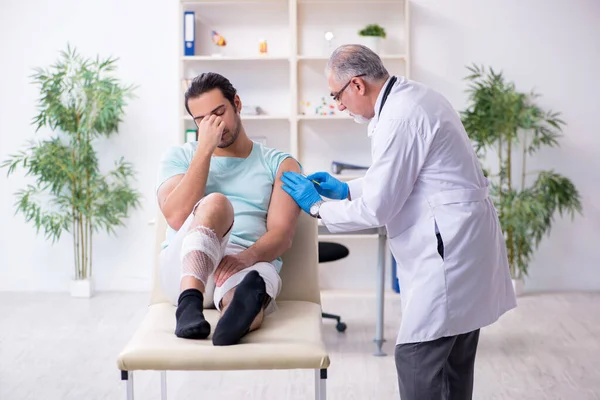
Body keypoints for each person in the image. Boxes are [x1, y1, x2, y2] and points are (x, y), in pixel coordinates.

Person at [281, 44, 517, 399]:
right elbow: (405, 180)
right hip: (465, 240)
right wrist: (346, 190)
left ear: (357, 85)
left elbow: (378, 208)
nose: (339, 106)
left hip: (450, 250)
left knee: (415, 357)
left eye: (337, 96)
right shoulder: (413, 97)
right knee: (455, 359)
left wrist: (317, 209)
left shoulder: (400, 116)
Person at [156, 72, 301, 346]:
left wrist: (248, 257)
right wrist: (204, 150)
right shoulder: (179, 156)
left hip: (244, 261)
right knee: (217, 203)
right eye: (201, 120)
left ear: (237, 103)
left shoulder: (281, 163)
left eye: (218, 112)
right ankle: (189, 305)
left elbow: (282, 233)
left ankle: (233, 321)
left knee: (253, 283)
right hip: (183, 269)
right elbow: (175, 217)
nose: (212, 124)